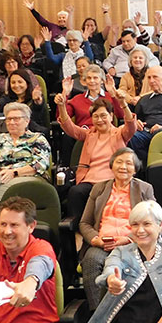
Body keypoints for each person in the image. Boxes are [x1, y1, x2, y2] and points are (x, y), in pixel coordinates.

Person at [79, 148, 154, 309]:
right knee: (91, 260)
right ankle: (98, 315)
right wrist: (95, 239)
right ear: (111, 166)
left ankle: (130, 312)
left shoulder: (145, 189)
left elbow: (154, 221)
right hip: (102, 243)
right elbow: (84, 223)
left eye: (128, 163)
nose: (123, 167)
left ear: (135, 169)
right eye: (119, 162)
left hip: (133, 243)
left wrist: (128, 239)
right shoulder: (99, 188)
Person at [55, 80, 135, 224]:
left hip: (112, 180)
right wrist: (61, 105)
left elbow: (130, 124)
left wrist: (123, 103)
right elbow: (69, 127)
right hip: (89, 180)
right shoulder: (88, 134)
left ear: (111, 116)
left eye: (104, 116)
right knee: (75, 192)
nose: (100, 120)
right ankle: (78, 230)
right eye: (96, 116)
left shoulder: (120, 133)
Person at [0, 102, 51, 223]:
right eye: (8, 119)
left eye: (16, 119)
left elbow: (40, 164)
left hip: (29, 176)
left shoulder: (37, 139)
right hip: (2, 175)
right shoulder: (1, 138)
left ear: (27, 121)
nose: (11, 122)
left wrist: (15, 172)